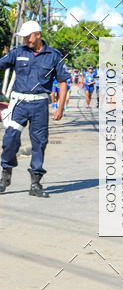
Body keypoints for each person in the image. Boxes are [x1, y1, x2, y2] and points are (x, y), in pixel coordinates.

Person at [0, 20, 70, 197]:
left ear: (38, 35)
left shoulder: (54, 56)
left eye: (28, 37)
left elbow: (63, 82)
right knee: (10, 140)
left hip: (40, 105)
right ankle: (5, 177)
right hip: (19, 104)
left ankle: (35, 184)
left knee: (39, 143)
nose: (26, 40)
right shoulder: (18, 52)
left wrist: (59, 107)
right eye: (24, 37)